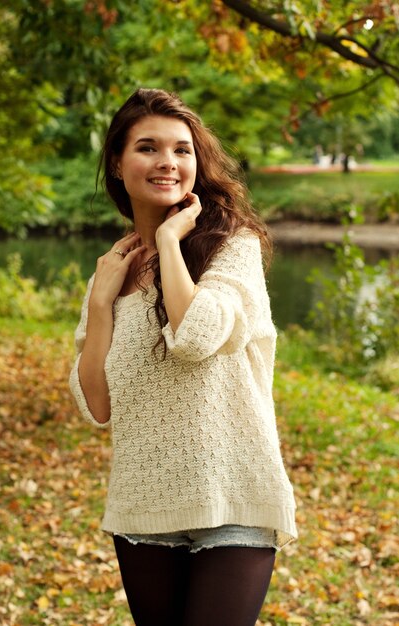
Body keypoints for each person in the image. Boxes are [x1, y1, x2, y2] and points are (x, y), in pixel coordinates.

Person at [69, 88, 297, 626]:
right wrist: (102, 300)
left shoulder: (232, 247)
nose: (168, 162)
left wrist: (170, 242)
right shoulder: (113, 269)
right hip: (144, 505)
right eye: (148, 147)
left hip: (234, 497)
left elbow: (195, 335)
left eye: (182, 149)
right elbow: (96, 404)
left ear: (198, 163)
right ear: (118, 166)